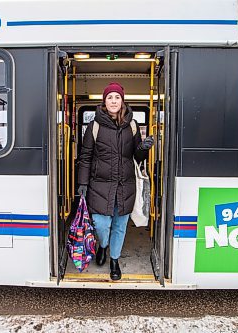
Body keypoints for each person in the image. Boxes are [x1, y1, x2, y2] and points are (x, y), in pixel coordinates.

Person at [77, 82, 154, 281]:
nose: (113, 101)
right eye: (110, 97)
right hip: (100, 184)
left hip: (125, 185)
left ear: (122, 101)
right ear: (104, 101)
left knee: (120, 226)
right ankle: (102, 246)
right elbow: (85, 156)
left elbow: (137, 157)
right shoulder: (94, 126)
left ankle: (114, 260)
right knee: (102, 224)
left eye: (117, 97)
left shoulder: (133, 125)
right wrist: (82, 183)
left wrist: (144, 148)